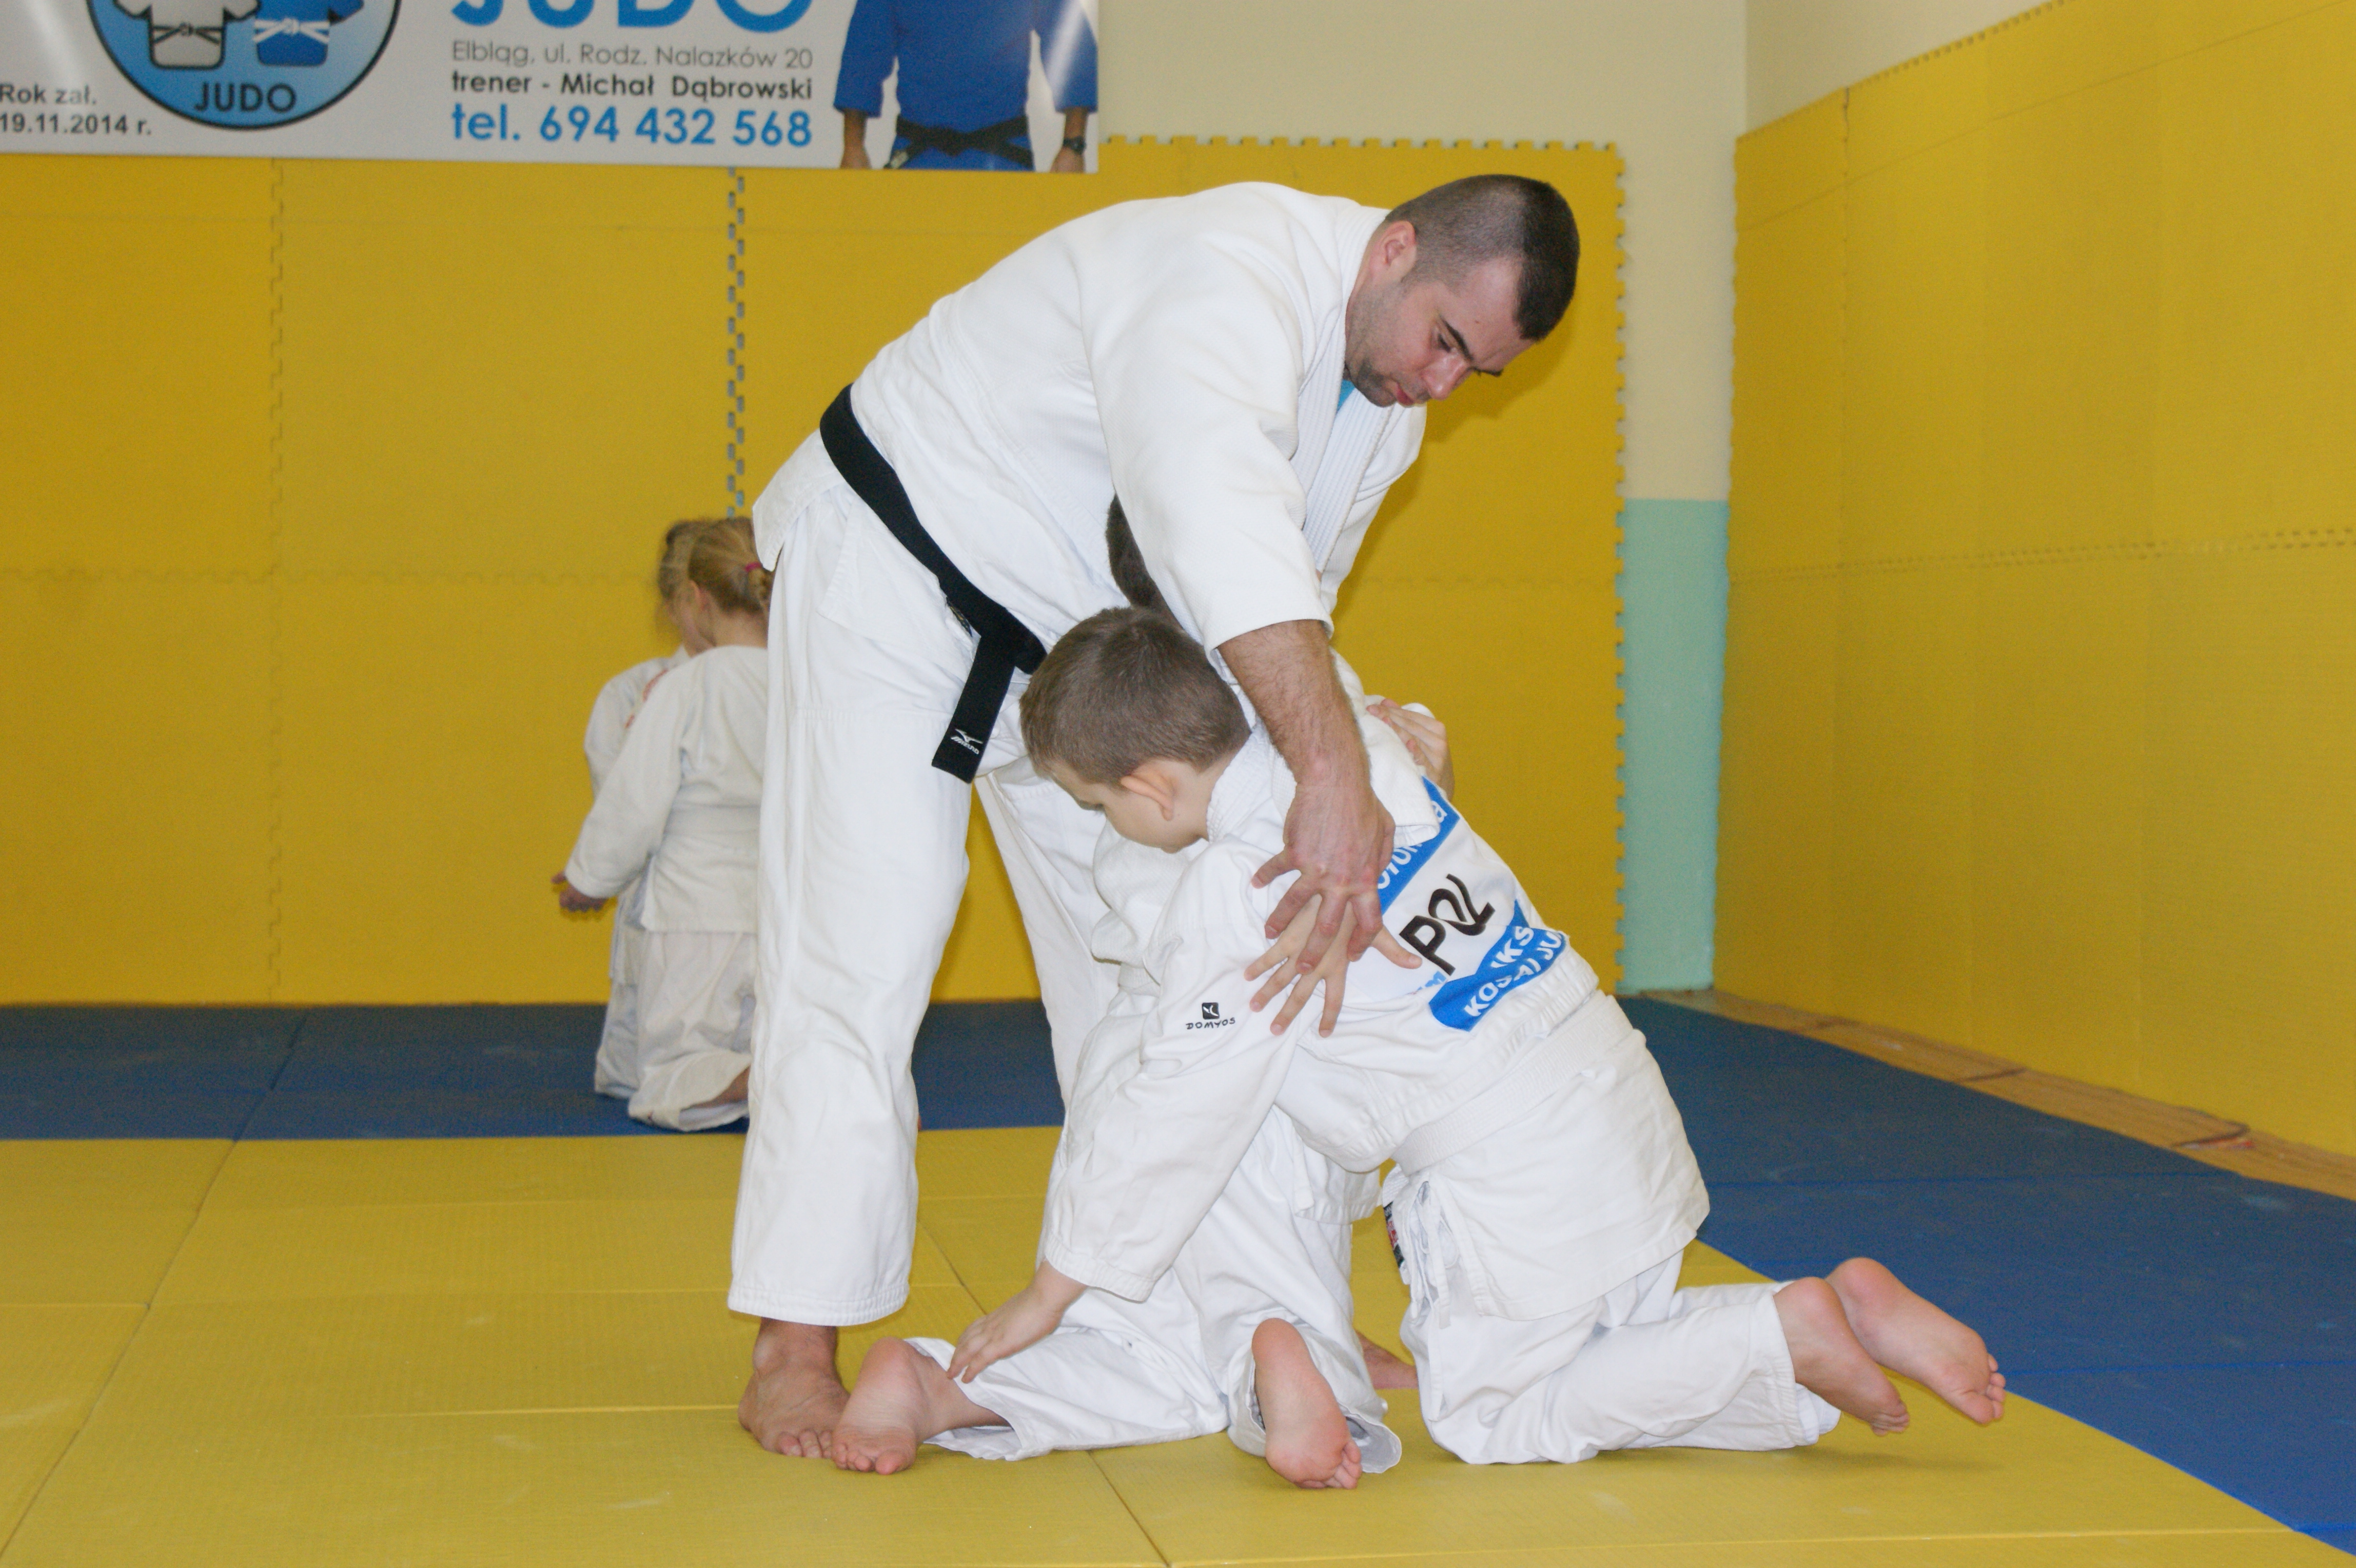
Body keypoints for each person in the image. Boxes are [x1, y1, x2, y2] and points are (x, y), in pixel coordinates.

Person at [736, 174, 1581, 1457]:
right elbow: (1217, 529)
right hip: (901, 576)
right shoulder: (1224, 270)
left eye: (1478, 371)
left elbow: (1282, 614)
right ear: (1394, 251)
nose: (1442, 383)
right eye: (1446, 340)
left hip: (1094, 668)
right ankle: (796, 1338)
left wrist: (1345, 745)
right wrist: (1332, 774)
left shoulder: (1383, 413)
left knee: (1181, 970)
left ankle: (1261, 1314)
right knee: (862, 946)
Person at [945, 605, 2010, 1467]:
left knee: (1489, 1414)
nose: (1112, 827)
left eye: (1099, 806)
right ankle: (1837, 1322)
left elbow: (1178, 1101)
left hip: (1506, 1163)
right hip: (1610, 1078)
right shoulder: (1353, 751)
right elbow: (1381, 710)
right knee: (1613, 1353)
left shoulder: (1235, 888)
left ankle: (1779, 1329)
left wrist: (1057, 1285)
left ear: (1149, 785)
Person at [555, 518, 770, 1131]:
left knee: (669, 1072)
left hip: (693, 908)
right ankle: (811, 1080)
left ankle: (767, 1078)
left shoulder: (683, 688)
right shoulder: (807, 681)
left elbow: (634, 804)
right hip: (784, 902)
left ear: (696, 599)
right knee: (767, 1028)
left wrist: (588, 879)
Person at [577, 521, 713, 1108]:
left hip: (745, 907)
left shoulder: (778, 684)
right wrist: (594, 874)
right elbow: (624, 811)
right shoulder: (632, 693)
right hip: (660, 904)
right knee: (636, 1079)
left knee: (690, 1078)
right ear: (674, 604)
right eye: (695, 601)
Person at [835, 0, 1095, 172]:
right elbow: (863, 56)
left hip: (1001, 160)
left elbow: (1073, 46)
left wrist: (1073, 147)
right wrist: (853, 148)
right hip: (919, 159)